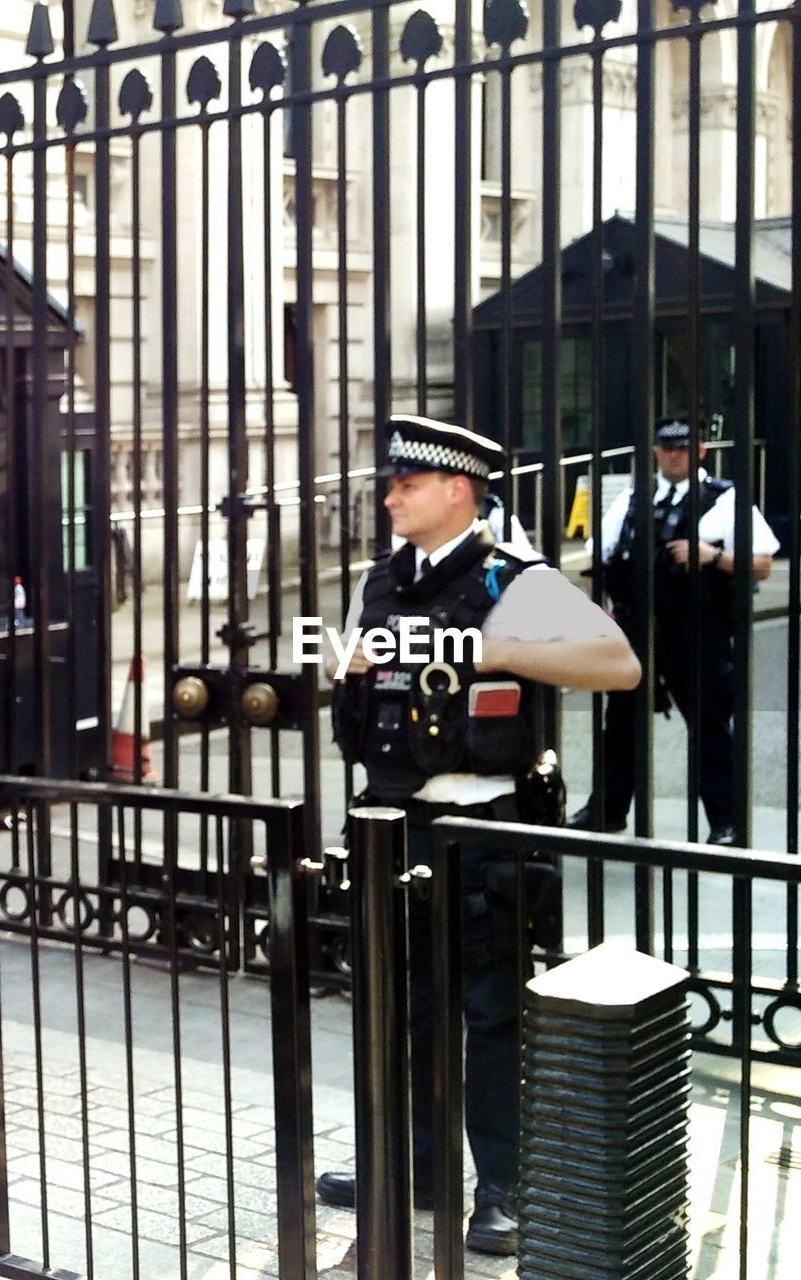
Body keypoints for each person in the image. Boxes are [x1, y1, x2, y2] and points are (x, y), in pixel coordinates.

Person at [316, 413, 641, 1255]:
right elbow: (346, 668)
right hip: (392, 823)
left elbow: (618, 664)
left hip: (479, 828)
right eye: (392, 484)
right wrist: (345, 660)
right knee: (407, 1003)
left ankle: (503, 1187)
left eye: (406, 484)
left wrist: (495, 651)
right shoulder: (376, 581)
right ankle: (416, 1165)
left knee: (491, 1010)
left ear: (458, 490)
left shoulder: (512, 579)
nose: (390, 496)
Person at [567, 413, 780, 845]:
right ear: (655, 452)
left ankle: (728, 822)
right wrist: (599, 608)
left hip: (697, 629)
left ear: (700, 451)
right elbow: (600, 561)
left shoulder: (724, 499)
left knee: (709, 725)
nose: (673, 455)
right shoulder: (633, 497)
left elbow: (762, 564)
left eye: (682, 448)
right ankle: (606, 810)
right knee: (621, 721)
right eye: (666, 447)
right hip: (635, 626)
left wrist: (711, 556)